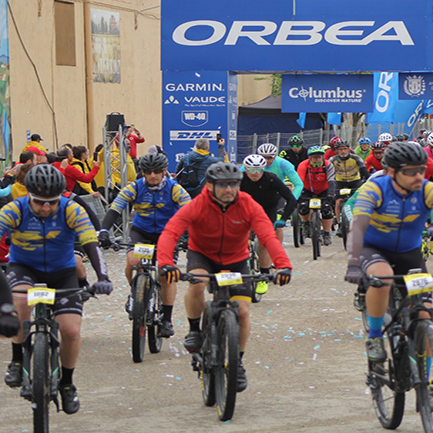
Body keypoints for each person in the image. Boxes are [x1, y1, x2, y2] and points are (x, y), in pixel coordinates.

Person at [157, 162, 292, 392]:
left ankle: (237, 362)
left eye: (233, 184)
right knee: (197, 283)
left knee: (242, 311)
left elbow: (267, 235)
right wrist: (166, 263)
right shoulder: (197, 204)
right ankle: (194, 330)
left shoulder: (248, 204)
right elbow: (171, 231)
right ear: (209, 186)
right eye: (222, 185)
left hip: (236, 258)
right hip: (203, 254)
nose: (229, 189)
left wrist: (283, 265)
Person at [343, 142, 433, 362]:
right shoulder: (375, 188)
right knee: (382, 279)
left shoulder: (428, 189)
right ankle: (374, 336)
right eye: (410, 171)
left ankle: (427, 384)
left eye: (421, 169)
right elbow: (358, 227)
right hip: (374, 248)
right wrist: (353, 263)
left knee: (424, 314)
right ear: (391, 172)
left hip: (409, 252)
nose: (419, 176)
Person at [1, 164, 112, 414]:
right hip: (24, 267)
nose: (46, 208)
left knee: (71, 331)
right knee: (19, 304)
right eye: (40, 202)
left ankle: (67, 383)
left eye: (51, 202)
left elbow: (91, 243)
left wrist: (103, 276)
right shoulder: (14, 209)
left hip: (62, 271)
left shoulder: (71, 209)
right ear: (29, 195)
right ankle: (17, 359)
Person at [97, 152, 191, 336]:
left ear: (165, 171)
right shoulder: (135, 187)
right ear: (143, 172)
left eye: (157, 171)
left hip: (167, 234)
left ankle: (166, 319)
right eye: (148, 172)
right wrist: (104, 230)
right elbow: (116, 208)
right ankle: (135, 295)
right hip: (141, 232)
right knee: (133, 262)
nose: (153, 175)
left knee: (167, 274)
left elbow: (191, 211)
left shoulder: (175, 188)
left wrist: (190, 235)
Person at [295, 147, 335, 246]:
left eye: (319, 157)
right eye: (314, 157)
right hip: (307, 189)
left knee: (327, 210)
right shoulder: (303, 165)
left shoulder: (328, 165)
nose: (317, 160)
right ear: (309, 158)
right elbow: (299, 180)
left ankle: (326, 234)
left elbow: (331, 180)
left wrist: (331, 194)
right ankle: (306, 224)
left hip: (323, 190)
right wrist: (298, 193)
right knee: (303, 208)